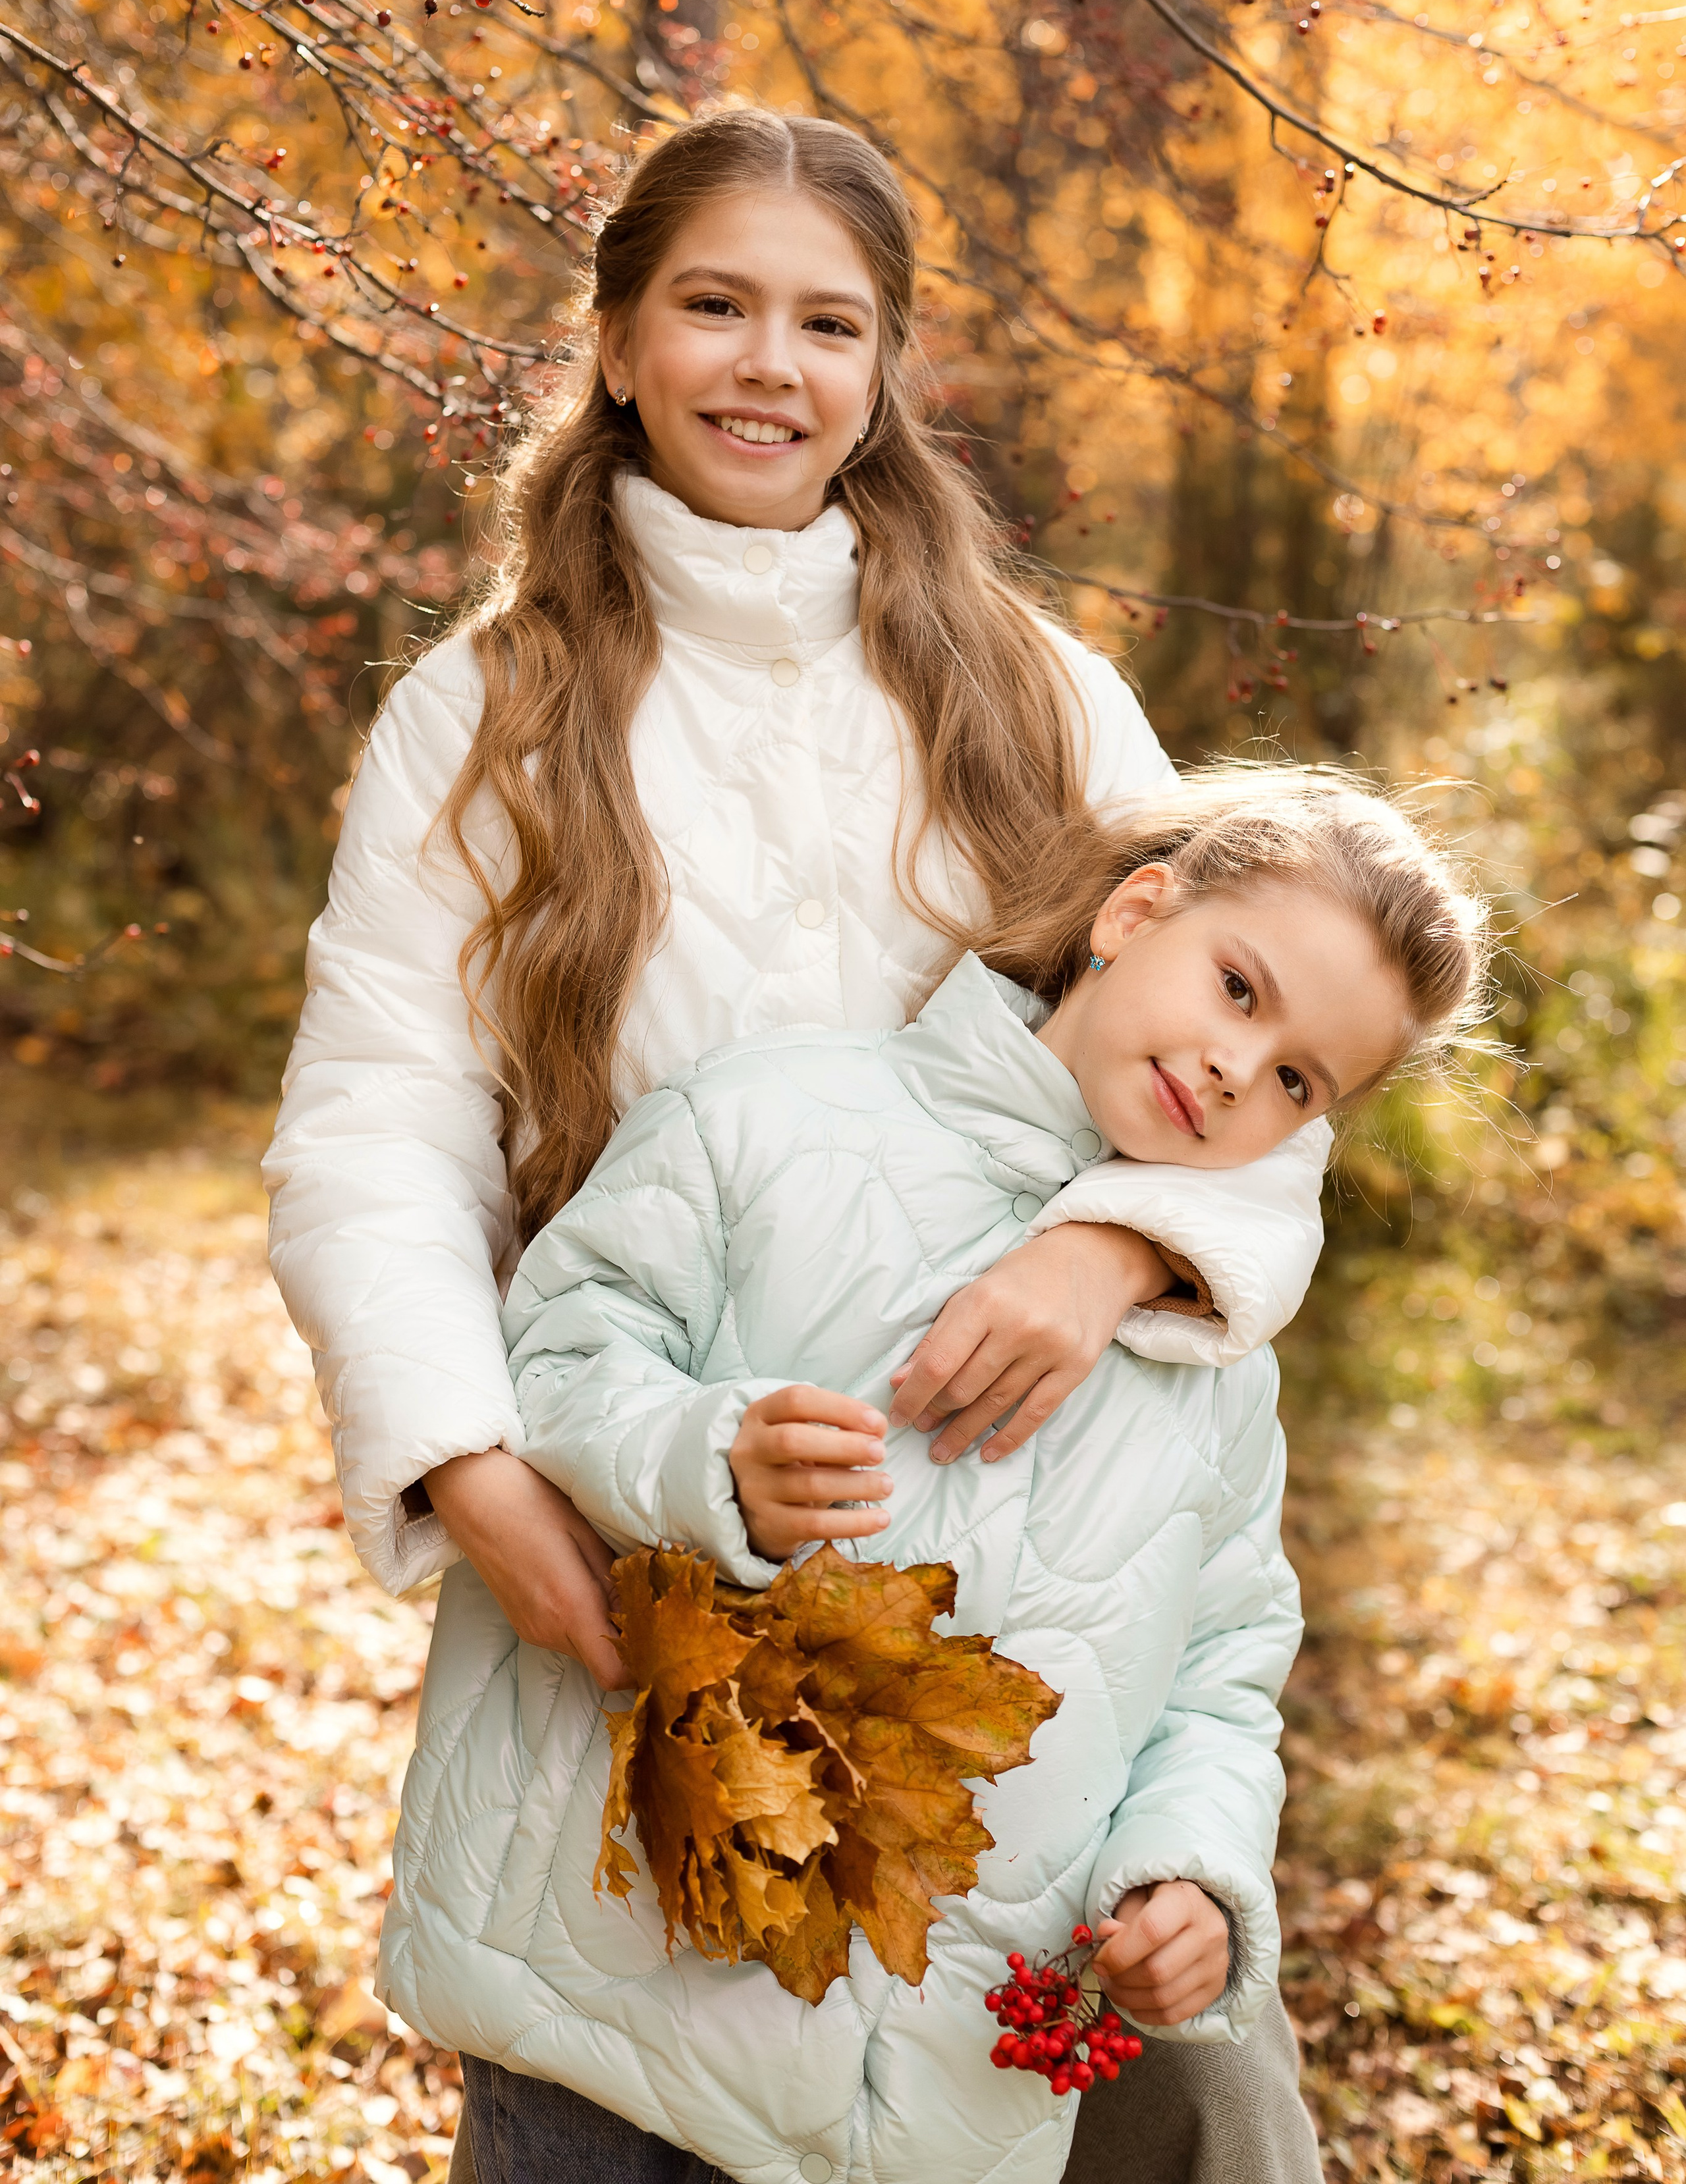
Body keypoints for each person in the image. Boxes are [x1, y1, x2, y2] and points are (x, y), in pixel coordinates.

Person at [263, 107, 1332, 2180]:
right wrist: (469, 1464)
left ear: (887, 366)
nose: (770, 364)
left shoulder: (1039, 697)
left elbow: (1267, 1039)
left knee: (1153, 2099)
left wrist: (1115, 1247)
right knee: (624, 2065)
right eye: (714, 305)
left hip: (1037, 1551)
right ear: (615, 340)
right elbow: (378, 1121)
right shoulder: (481, 718)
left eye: (829, 322)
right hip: (648, 1516)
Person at [378, 768, 1490, 2184]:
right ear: (1133, 913)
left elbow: (1222, 1677)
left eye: (1294, 1080)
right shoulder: (768, 1118)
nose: (1234, 1067)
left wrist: (1189, 1875)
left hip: (928, 2076)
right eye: (1236, 988)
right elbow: (550, 1359)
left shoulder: (1216, 1371)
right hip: (609, 1982)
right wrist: (708, 1459)